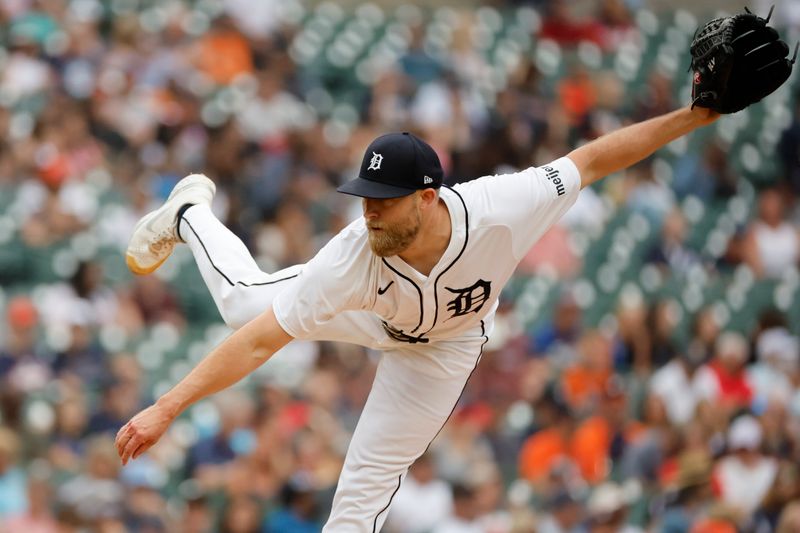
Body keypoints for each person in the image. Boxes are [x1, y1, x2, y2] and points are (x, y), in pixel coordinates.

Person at [116, 105, 720, 531]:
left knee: (363, 491)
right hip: (373, 311)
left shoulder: (501, 209)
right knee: (246, 304)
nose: (370, 212)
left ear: (427, 197)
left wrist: (694, 116)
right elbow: (257, 344)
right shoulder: (353, 255)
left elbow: (592, 160)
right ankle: (190, 209)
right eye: (366, 198)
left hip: (444, 347)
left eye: (384, 201)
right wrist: (167, 405)